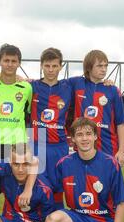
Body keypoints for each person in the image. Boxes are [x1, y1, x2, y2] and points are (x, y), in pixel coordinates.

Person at [46, 117, 124, 222]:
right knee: (52, 220)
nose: (84, 138)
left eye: (88, 134)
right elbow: (52, 192)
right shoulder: (64, 164)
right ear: (73, 139)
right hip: (79, 219)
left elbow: (122, 203)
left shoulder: (110, 164)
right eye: (80, 134)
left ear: (95, 136)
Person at [29, 48, 72, 209]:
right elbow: (9, 82)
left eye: (55, 66)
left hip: (59, 144)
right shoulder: (31, 86)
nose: (51, 70)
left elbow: (91, 80)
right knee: (35, 185)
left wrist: (107, 82)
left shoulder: (69, 86)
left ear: (61, 66)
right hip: (35, 142)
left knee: (57, 186)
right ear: (41, 66)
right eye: (47, 66)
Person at [68, 50, 124, 166]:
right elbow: (52, 83)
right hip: (82, 148)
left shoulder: (113, 90)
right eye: (100, 66)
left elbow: (121, 123)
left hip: (108, 148)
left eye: (106, 66)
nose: (104, 69)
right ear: (89, 67)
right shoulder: (76, 83)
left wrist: (121, 150)